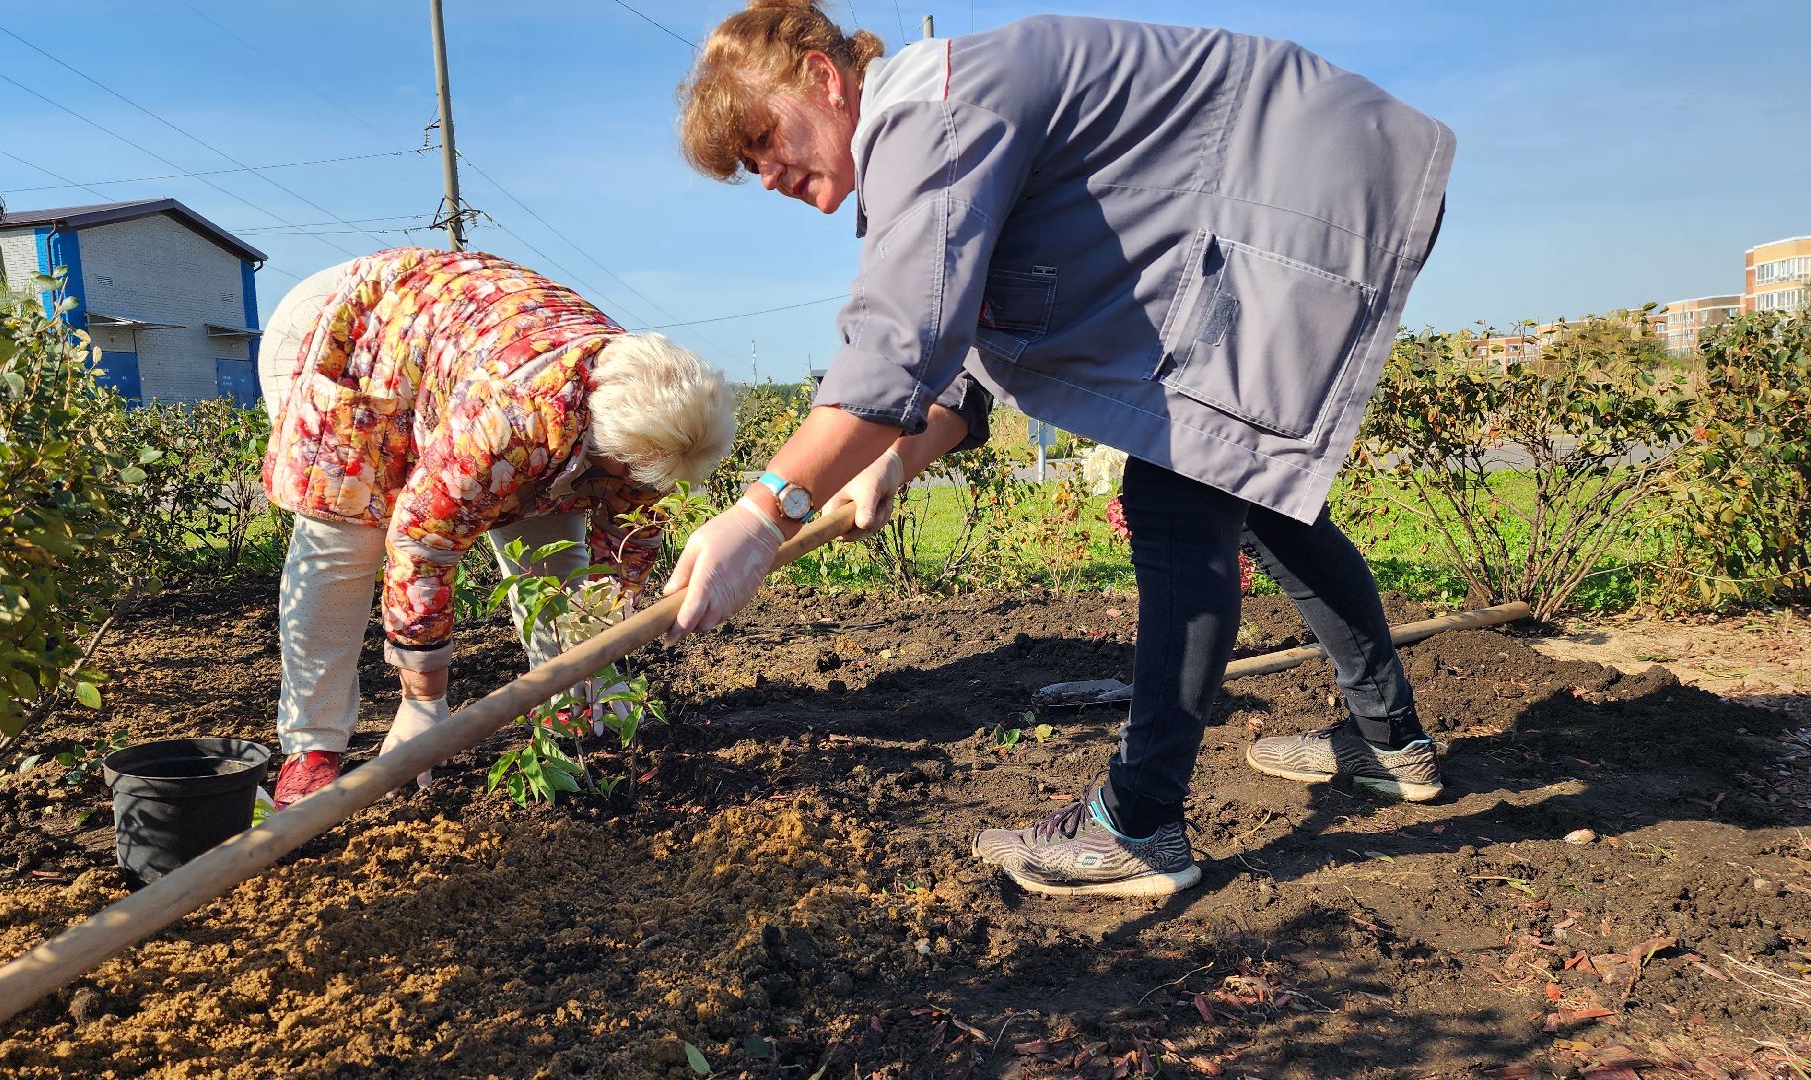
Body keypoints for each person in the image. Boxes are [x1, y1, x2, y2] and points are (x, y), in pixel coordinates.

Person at [669, 3, 1453, 897]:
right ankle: (1389, 739)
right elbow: (960, 353)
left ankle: (1140, 823)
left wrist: (764, 513)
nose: (767, 173)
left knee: (1180, 492)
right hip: (1298, 194)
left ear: (822, 76)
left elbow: (902, 341)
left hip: (1298, 197)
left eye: (763, 137)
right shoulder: (937, 133)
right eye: (748, 165)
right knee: (1253, 494)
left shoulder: (936, 111)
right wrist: (893, 459)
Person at [259, 247, 734, 808]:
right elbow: (423, 543)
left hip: (476, 342)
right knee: (346, 542)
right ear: (599, 444)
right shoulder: (513, 420)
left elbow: (627, 540)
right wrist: (423, 699)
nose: (637, 491)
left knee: (553, 557)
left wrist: (604, 655)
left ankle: (567, 704)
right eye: (628, 476)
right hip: (360, 329)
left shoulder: (663, 412)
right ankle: (313, 747)